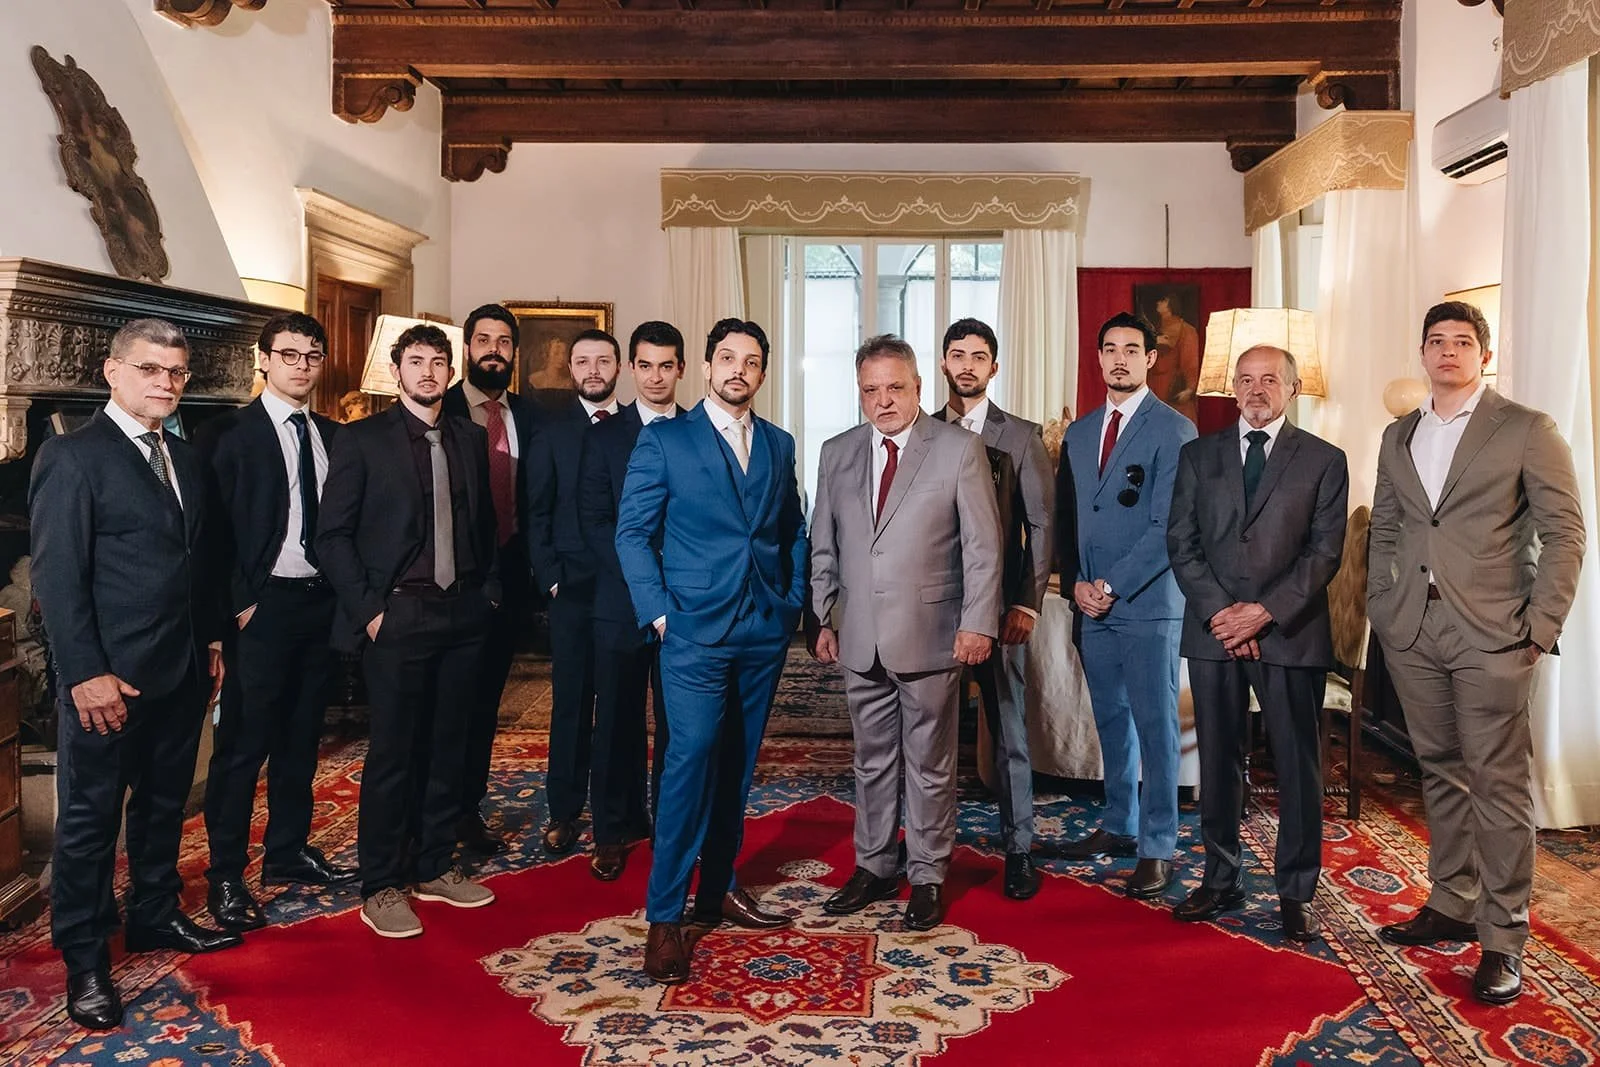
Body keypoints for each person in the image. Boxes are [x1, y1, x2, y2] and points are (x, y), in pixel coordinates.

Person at [1368, 301, 1585, 1005]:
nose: (1449, 351)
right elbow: (1388, 526)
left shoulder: (1526, 428)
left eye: (1463, 342)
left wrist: (1539, 628)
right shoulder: (1398, 433)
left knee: (1498, 785)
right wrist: (1381, 604)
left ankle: (1503, 938)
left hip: (1495, 632)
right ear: (1422, 353)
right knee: (1440, 770)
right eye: (1437, 341)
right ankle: (1452, 901)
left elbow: (1566, 534)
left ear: (1484, 356)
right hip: (1413, 629)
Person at [31, 318, 238, 1031]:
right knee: (90, 822)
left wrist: (211, 637)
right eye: (150, 369)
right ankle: (85, 957)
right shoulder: (72, 456)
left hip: (180, 668)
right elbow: (58, 578)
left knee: (163, 804)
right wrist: (84, 672)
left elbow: (198, 559)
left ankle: (153, 913)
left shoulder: (184, 455)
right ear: (112, 371)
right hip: (107, 682)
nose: (166, 383)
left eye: (176, 372)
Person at [616, 318, 808, 984]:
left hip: (762, 629)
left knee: (738, 764)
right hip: (693, 631)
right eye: (727, 357)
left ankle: (719, 886)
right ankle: (665, 915)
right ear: (705, 367)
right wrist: (661, 614)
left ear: (762, 373)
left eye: (751, 361)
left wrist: (791, 601)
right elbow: (632, 534)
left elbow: (792, 529)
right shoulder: (665, 439)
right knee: (688, 763)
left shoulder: (779, 443)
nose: (738, 370)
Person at [809, 334, 1002, 931]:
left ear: (918, 386)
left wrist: (977, 623)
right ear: (859, 393)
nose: (884, 400)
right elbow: (824, 543)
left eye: (895, 387)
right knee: (870, 762)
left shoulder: (958, 449)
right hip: (859, 636)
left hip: (933, 635)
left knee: (929, 765)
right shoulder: (837, 452)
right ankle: (873, 866)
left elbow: (983, 548)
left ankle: (927, 875)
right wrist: (824, 616)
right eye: (871, 390)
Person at [315, 324, 502, 939]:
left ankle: (433, 865)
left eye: (438, 361)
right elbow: (331, 536)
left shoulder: (468, 437)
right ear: (396, 372)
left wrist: (488, 592)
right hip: (398, 614)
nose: (428, 371)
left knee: (449, 747)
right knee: (394, 753)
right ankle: (381, 884)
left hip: (463, 613)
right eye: (416, 361)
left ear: (451, 371)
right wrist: (371, 611)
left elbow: (482, 523)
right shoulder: (361, 439)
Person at [1167, 344, 1348, 941]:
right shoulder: (1198, 455)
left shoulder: (1324, 459)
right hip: (1214, 632)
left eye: (1270, 379)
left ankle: (1296, 892)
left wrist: (1262, 614)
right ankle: (1221, 878)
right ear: (1233, 388)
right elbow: (1182, 543)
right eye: (1245, 379)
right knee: (1217, 761)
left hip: (1290, 633)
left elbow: (1324, 552)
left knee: (1296, 765)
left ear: (1293, 389)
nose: (1256, 390)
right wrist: (1225, 614)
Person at [197, 311, 355, 937]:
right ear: (263, 360)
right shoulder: (225, 434)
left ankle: (287, 850)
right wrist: (238, 605)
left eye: (312, 355)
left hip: (319, 605)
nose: (301, 365)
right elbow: (210, 534)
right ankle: (225, 875)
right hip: (260, 609)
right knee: (243, 748)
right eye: (289, 354)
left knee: (301, 738)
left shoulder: (334, 436)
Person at [1057, 312, 1196, 899]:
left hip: (1146, 603)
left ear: (1150, 359)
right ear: (1098, 358)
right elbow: (1068, 518)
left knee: (1156, 726)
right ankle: (1119, 823)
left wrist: (1111, 586)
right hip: (1091, 605)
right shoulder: (1080, 432)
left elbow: (1169, 528)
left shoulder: (1175, 430)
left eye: (1131, 349)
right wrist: (1075, 584)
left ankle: (1158, 846)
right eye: (1109, 348)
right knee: (1110, 719)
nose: (1119, 358)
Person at [932, 318, 1054, 901]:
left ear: (994, 367)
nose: (967, 365)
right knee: (928, 735)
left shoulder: (1022, 437)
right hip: (935, 610)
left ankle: (1019, 849)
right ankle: (927, 849)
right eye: (957, 354)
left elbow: (1042, 525)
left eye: (978, 356)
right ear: (943, 363)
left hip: (1002, 608)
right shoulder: (922, 431)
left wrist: (1026, 604)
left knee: (1009, 734)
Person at [577, 321, 686, 880]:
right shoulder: (603, 434)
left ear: (681, 369)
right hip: (620, 601)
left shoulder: (698, 430)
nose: (656, 377)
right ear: (631, 369)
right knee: (616, 721)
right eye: (646, 366)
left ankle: (671, 827)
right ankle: (613, 831)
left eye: (666, 366)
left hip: (685, 602)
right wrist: (644, 581)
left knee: (678, 724)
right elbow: (595, 521)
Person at [442, 303, 544, 856]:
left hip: (510, 581)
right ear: (467, 348)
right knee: (447, 705)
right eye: (484, 340)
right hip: (454, 584)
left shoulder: (530, 415)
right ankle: (432, 815)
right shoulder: (441, 408)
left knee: (485, 705)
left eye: (503, 342)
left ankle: (467, 810)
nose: (494, 351)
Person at [525, 329, 621, 856]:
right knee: (572, 705)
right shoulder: (552, 432)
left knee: (621, 707)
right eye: (583, 361)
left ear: (618, 367)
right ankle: (563, 811)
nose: (593, 370)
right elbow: (536, 511)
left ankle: (619, 812)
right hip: (573, 588)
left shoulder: (637, 427)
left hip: (624, 588)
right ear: (571, 369)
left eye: (602, 360)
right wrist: (551, 577)